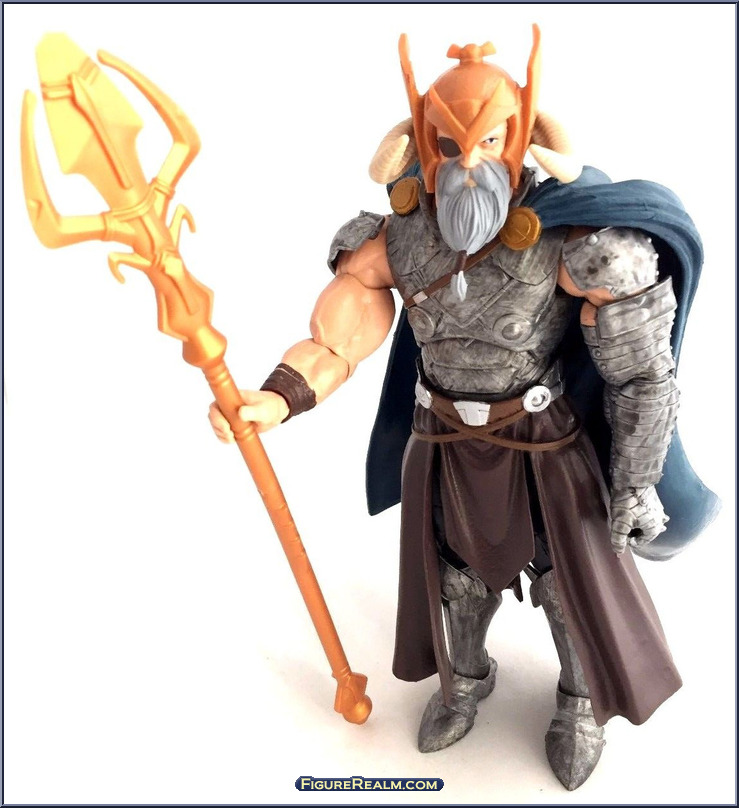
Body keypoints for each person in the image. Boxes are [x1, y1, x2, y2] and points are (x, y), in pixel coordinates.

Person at [208, 27, 716, 790]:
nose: (468, 163)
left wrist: (637, 478)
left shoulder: (575, 242)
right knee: (454, 578)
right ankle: (465, 680)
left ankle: (580, 702)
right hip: (442, 438)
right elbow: (335, 340)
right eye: (449, 145)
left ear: (523, 138)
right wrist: (277, 399)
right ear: (420, 140)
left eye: (489, 142)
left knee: (567, 586)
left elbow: (642, 375)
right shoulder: (396, 240)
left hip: (544, 443)